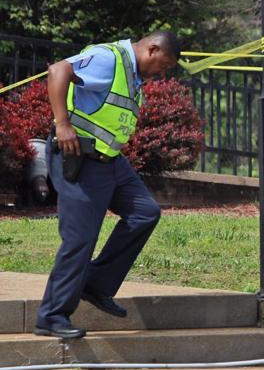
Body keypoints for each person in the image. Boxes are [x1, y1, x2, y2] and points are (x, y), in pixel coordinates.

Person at [34, 31, 180, 339]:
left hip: (111, 162)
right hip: (79, 157)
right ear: (152, 49)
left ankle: (95, 285)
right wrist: (62, 124)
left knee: (145, 212)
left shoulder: (133, 74)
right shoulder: (108, 58)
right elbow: (58, 69)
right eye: (163, 66)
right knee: (80, 238)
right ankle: (52, 316)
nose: (162, 73)